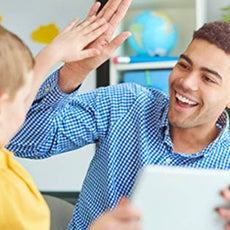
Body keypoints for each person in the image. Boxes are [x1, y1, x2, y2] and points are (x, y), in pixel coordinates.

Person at [7, 4, 230, 230]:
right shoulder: (126, 104)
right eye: (184, 65)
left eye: (208, 79)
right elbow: (23, 142)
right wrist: (73, 72)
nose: (186, 82)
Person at [1, 0, 141, 229]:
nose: (28, 106)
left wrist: (52, 55)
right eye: (24, 97)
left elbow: (16, 103)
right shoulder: (6, 194)